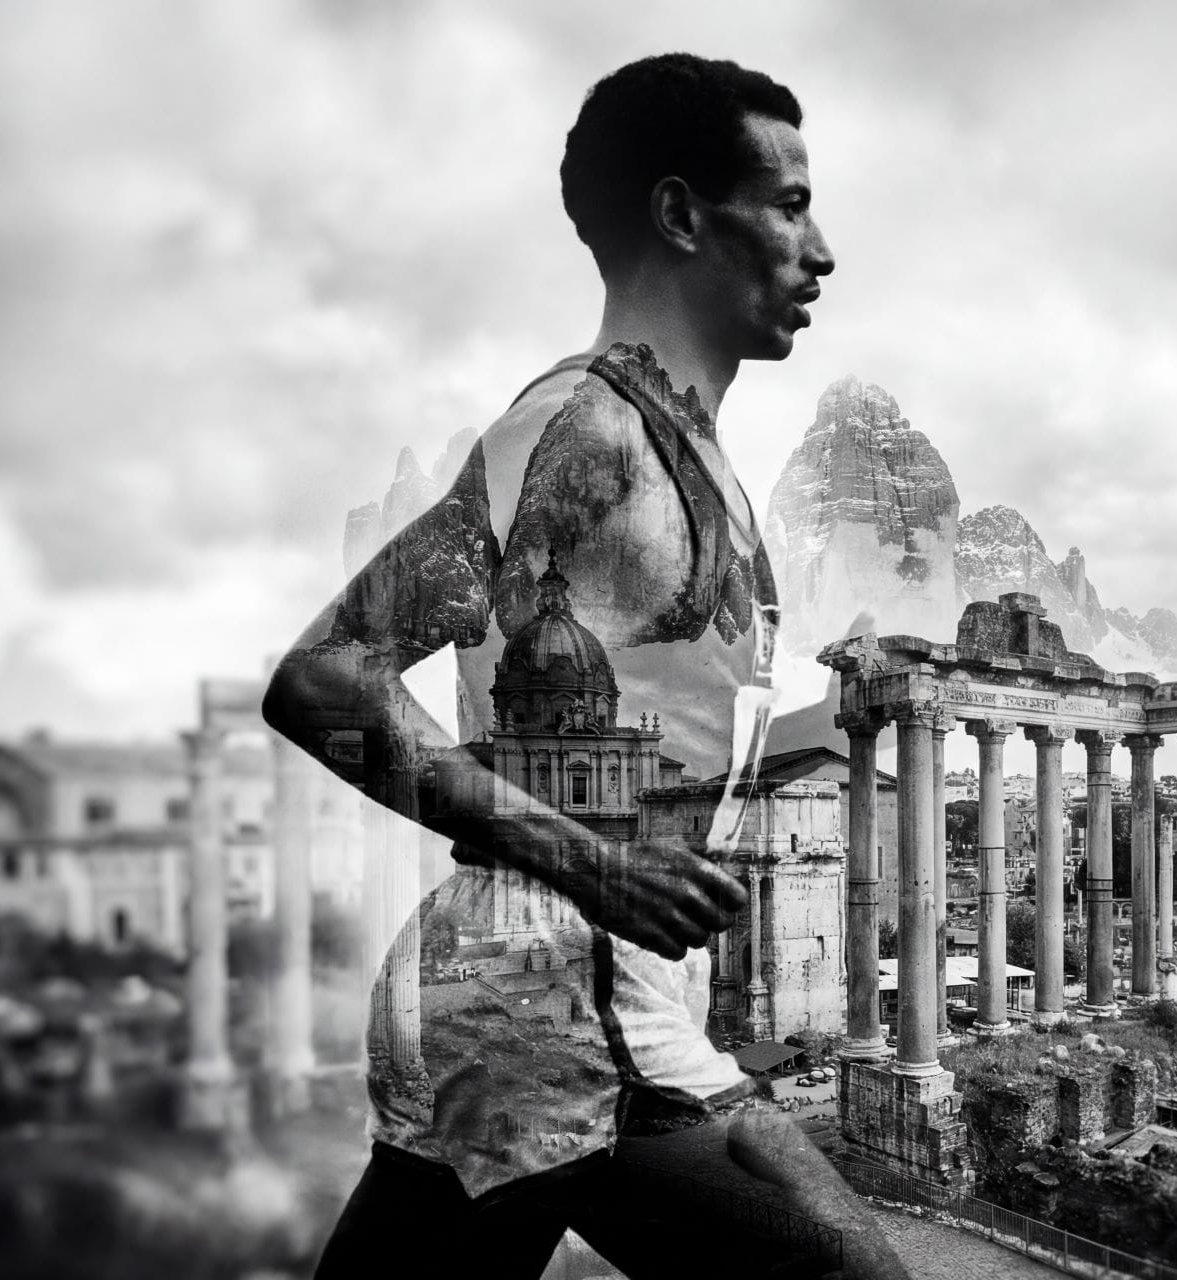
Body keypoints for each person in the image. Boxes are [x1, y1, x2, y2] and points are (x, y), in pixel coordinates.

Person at [264, 53, 908, 1279]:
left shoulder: (685, 449)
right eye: (788, 205)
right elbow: (326, 676)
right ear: (679, 215)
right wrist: (597, 867)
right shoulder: (585, 430)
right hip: (544, 1006)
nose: (820, 249)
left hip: (554, 998)